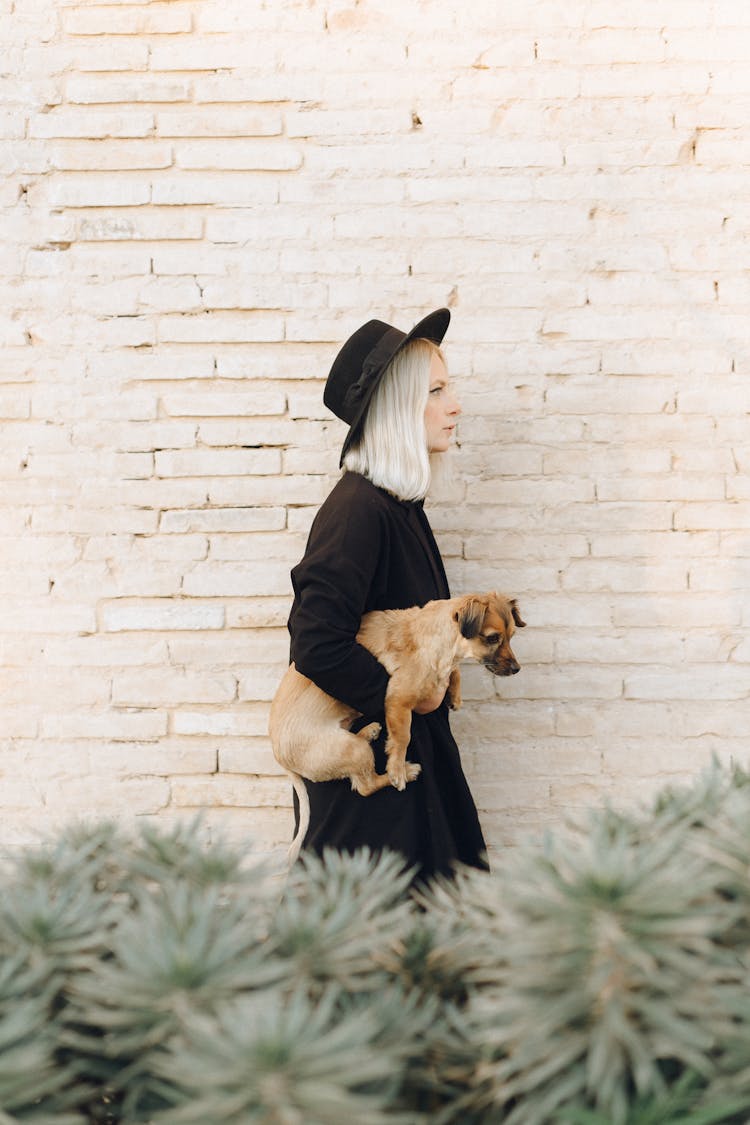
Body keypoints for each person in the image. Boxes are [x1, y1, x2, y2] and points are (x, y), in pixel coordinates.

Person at [285, 307, 489, 882]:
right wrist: (406, 698)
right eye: (437, 391)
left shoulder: (397, 508)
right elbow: (317, 643)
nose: (455, 406)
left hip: (408, 758)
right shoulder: (357, 512)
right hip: (371, 772)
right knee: (357, 947)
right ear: (398, 408)